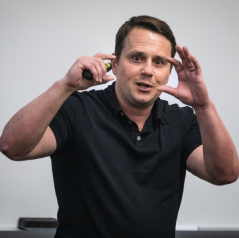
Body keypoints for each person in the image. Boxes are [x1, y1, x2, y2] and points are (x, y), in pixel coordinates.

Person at [0, 15, 238, 238]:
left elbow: (225, 174)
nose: (147, 70)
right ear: (114, 64)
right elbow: (12, 146)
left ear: (168, 74)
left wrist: (204, 106)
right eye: (137, 58)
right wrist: (64, 86)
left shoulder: (182, 120)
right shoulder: (76, 109)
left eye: (158, 62)